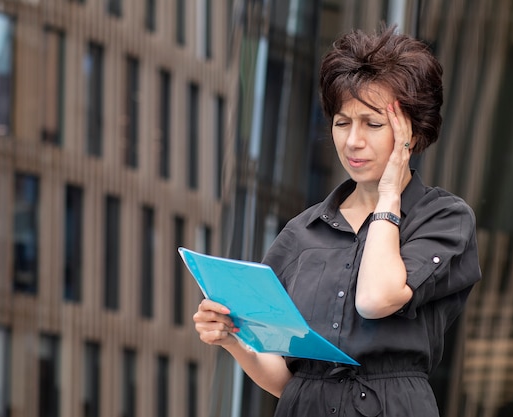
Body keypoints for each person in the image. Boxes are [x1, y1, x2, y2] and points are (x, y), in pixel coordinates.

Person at [192, 25, 481, 417]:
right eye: (342, 122)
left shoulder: (443, 219)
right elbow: (290, 378)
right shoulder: (301, 232)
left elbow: (376, 299)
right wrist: (232, 340)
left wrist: (389, 195)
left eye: (373, 124)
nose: (352, 141)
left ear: (411, 133)